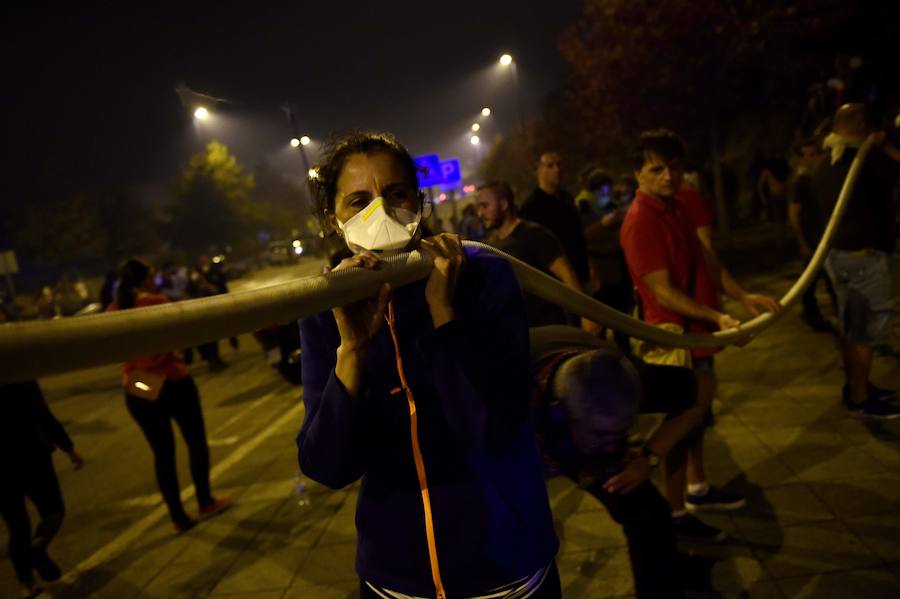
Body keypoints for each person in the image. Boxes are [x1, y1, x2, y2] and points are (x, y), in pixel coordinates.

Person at [297, 132, 560, 598]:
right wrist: (352, 351)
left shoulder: (482, 275)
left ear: (419, 202)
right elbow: (327, 466)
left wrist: (444, 316)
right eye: (358, 201)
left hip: (505, 571)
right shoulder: (328, 306)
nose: (379, 212)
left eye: (395, 195)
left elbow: (492, 431)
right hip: (397, 579)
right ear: (332, 220)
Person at [620, 129, 781, 539]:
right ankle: (675, 513)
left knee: (694, 420)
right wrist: (716, 318)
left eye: (674, 167)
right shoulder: (641, 221)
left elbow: (704, 258)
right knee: (681, 422)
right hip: (674, 338)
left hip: (695, 334)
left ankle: (693, 492)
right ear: (638, 173)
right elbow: (662, 290)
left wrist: (742, 296)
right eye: (656, 168)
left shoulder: (673, 208)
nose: (668, 176)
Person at [108, 258, 232, 532]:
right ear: (144, 279)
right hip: (171, 381)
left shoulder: (113, 310)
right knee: (196, 442)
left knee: (162, 454)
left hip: (138, 386)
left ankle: (178, 517)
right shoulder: (155, 302)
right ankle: (205, 500)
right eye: (151, 275)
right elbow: (178, 339)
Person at [812, 103, 900, 418]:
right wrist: (883, 144)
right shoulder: (864, 160)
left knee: (851, 328)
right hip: (864, 257)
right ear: (863, 124)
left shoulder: (824, 162)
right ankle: (861, 400)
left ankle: (857, 387)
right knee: (865, 332)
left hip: (838, 258)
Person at [0, 328, 83, 599]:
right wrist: (69, 449)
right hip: (31, 453)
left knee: (16, 526)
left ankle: (26, 585)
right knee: (53, 511)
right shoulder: (19, 371)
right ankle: (39, 545)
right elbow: (43, 414)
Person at [476, 180, 598, 333]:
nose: (480, 213)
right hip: (523, 333)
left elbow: (567, 275)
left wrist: (586, 315)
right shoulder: (493, 244)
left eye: (485, 206)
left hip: (550, 329)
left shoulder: (534, 235)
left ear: (503, 205)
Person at [520, 152, 594, 290]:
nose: (557, 169)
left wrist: (590, 266)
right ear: (539, 170)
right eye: (550, 166)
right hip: (557, 283)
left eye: (559, 165)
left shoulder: (567, 198)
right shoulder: (531, 207)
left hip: (581, 272)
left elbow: (579, 236)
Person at [788, 138, 838, 332]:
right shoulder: (800, 182)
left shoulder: (818, 178)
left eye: (816, 153)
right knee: (811, 281)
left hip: (823, 238)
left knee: (827, 279)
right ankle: (813, 315)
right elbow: (793, 214)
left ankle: (832, 316)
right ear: (801, 159)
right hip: (812, 239)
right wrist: (801, 241)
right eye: (810, 154)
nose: (815, 158)